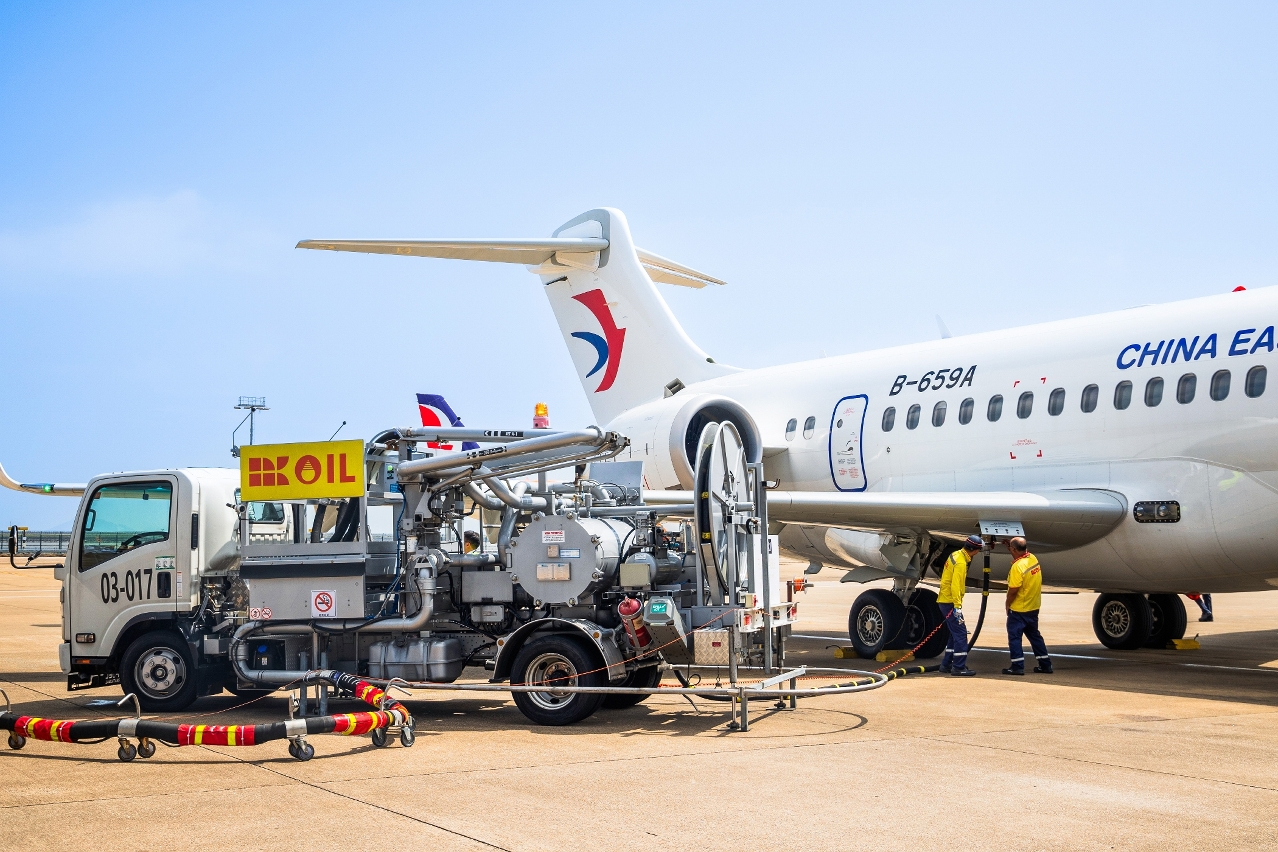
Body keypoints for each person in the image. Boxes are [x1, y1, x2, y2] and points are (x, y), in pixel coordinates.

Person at [1002, 537, 1053, 676]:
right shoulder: (1032, 558)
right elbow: (1020, 552)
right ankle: (1045, 664)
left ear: (1014, 549)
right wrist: (1011, 548)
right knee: (1035, 636)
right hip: (1033, 607)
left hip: (1019, 609)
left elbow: (1013, 590)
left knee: (1014, 638)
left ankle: (1017, 666)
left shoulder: (1017, 567)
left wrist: (1008, 603)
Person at [938, 534, 984, 676]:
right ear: (975, 550)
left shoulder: (955, 555)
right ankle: (958, 667)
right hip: (950, 602)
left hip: (945, 600)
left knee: (954, 634)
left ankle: (946, 664)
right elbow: (956, 585)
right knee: (961, 634)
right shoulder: (961, 563)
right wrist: (957, 606)